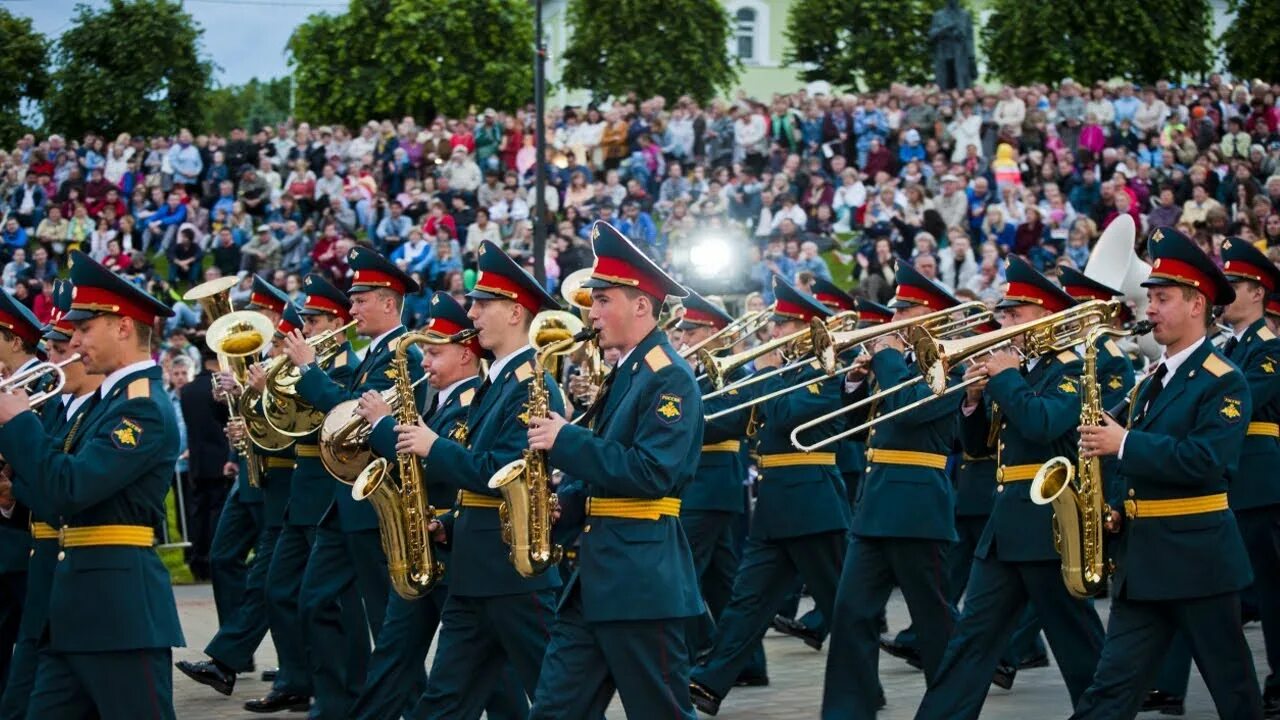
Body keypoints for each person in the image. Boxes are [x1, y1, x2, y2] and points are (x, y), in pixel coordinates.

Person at [1069, 227, 1264, 719]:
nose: (1148, 307)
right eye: (1149, 296)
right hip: (1145, 561)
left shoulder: (1226, 380)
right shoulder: (1151, 381)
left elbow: (1204, 461)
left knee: (1234, 690)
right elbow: (1122, 454)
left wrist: (1125, 442)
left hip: (1199, 561)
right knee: (1109, 690)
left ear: (1197, 304)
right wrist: (1112, 504)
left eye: (1161, 297)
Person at [915, 256, 1106, 719]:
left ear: (1045, 316)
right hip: (1006, 528)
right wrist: (974, 401)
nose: (1004, 322)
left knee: (1078, 643)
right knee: (972, 640)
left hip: (1049, 527)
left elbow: (1042, 425)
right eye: (1004, 313)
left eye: (1015, 314)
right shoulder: (1014, 372)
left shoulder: (1070, 369)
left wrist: (1004, 379)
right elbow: (978, 447)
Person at [526, 221, 702, 718]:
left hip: (640, 580)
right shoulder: (626, 369)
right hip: (597, 575)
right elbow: (607, 462)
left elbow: (651, 473)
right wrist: (567, 502)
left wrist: (566, 439)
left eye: (603, 300)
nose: (592, 311)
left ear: (641, 305)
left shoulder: (668, 377)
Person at [0, 250, 184, 718]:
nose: (75, 341)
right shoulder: (107, 402)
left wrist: (20, 424)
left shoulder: (139, 407)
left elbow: (70, 489)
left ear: (123, 327)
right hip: (75, 609)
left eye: (84, 329)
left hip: (119, 613)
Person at [390, 239, 563, 719]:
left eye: (483, 305)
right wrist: (448, 522)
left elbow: (502, 471)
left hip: (513, 572)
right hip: (477, 566)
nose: (473, 313)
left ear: (514, 313)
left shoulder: (532, 383)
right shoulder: (500, 381)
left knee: (556, 698)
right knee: (444, 701)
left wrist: (432, 446)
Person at [352, 291, 526, 720]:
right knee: (415, 666)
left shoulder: (482, 397)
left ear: (466, 355)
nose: (425, 363)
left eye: (433, 353)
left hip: (474, 552)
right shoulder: (472, 395)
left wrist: (385, 429)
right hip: (443, 543)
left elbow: (464, 469)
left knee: (510, 678)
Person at [690, 275, 851, 716]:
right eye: (775, 325)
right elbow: (727, 417)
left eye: (782, 326)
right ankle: (709, 682)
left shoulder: (823, 372)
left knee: (843, 606)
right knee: (747, 599)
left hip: (814, 504)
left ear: (805, 328)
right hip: (776, 506)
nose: (772, 333)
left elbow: (782, 416)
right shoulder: (781, 371)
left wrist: (764, 372)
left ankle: (864, 689)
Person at [1136, 235, 1280, 716]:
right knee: (1195, 591)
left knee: (1268, 592)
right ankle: (1169, 682)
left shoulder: (1266, 350)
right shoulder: (1219, 350)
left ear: (1259, 292)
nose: (1227, 291)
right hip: (1216, 487)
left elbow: (1242, 408)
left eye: (1235, 283)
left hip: (1258, 483)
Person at [280, 249, 424, 720]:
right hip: (344, 506)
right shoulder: (374, 354)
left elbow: (354, 417)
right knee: (316, 601)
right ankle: (338, 704)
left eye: (360, 299)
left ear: (387, 301)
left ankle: (411, 706)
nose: (353, 308)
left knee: (390, 622)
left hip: (375, 504)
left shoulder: (405, 355)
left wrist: (307, 370)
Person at [823, 263, 965, 718]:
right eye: (897, 309)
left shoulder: (953, 364)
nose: (895, 318)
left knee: (935, 623)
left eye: (908, 310)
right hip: (876, 502)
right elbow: (853, 427)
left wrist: (883, 359)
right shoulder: (896, 364)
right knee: (850, 613)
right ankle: (849, 707)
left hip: (919, 507)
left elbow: (907, 411)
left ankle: (950, 709)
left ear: (934, 316)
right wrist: (855, 380)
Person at [253, 274, 363, 715]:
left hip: (331, 491)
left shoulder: (344, 364)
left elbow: (340, 418)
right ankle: (297, 679)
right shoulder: (307, 366)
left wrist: (303, 373)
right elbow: (284, 428)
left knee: (332, 601)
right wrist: (259, 400)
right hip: (303, 494)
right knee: (280, 590)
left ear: (335, 321)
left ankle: (340, 690)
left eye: (314, 319)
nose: (305, 326)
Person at [176, 275, 288, 696]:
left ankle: (232, 655)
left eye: (260, 313)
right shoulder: (258, 356)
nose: (249, 321)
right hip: (248, 470)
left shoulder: (287, 355)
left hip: (277, 474)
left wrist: (246, 393)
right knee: (223, 557)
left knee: (271, 573)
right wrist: (236, 395)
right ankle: (238, 652)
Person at [0, 280, 103, 720]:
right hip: (37, 548)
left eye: (63, 348)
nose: (58, 357)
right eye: (58, 346)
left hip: (56, 552)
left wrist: (11, 490)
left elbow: (61, 481)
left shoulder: (57, 400)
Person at [676, 290, 767, 685]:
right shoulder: (692, 371)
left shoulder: (728, 370)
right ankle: (745, 663)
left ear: (712, 331)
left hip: (712, 485)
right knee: (723, 582)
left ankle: (703, 653)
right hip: (707, 486)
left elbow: (725, 421)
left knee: (684, 575)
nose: (684, 339)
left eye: (692, 332)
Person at [0, 289, 52, 702]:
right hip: (11, 525)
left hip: (28, 528)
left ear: (15, 339)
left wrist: (9, 492)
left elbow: (41, 452)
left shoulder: (46, 380)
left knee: (30, 634)